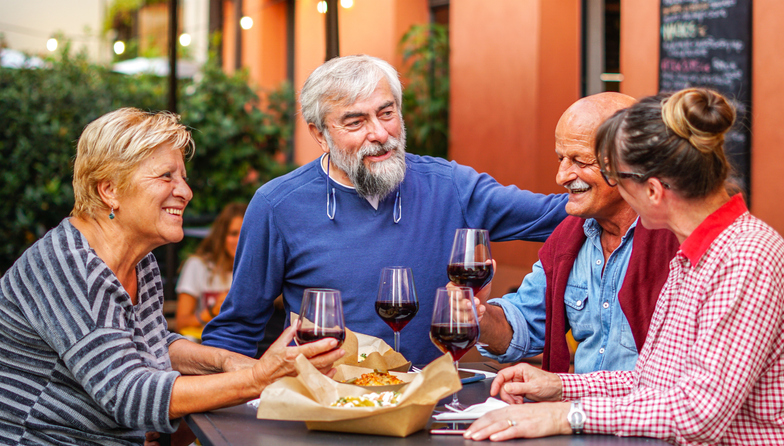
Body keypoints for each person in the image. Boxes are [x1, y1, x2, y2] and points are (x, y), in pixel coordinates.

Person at [0, 108, 343, 446]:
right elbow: (128, 394)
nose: (185, 192)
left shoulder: (140, 260)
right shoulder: (67, 267)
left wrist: (225, 361)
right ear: (109, 190)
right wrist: (258, 378)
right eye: (166, 176)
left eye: (183, 177)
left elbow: (153, 345)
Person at [201, 54, 569, 364]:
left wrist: (615, 179)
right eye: (355, 121)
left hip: (429, 408)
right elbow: (236, 329)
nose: (379, 133)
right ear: (318, 134)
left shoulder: (450, 186)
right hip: (323, 407)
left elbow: (566, 214)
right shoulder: (276, 205)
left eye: (386, 113)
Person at [464, 88, 784, 444]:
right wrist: (559, 385)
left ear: (653, 192)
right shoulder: (693, 255)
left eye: (620, 180)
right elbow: (653, 381)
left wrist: (568, 414)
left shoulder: (745, 258)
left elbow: (698, 413)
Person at [475, 92, 680, 373]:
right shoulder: (570, 238)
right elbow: (525, 324)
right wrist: (477, 317)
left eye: (580, 161)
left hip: (644, 415)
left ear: (632, 163)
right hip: (577, 413)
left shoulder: (679, 243)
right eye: (561, 158)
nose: (562, 176)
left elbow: (681, 383)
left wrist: (560, 390)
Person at [176, 202, 247, 340]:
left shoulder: (258, 268)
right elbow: (180, 323)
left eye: (244, 234)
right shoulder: (198, 265)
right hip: (204, 343)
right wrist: (212, 311)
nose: (239, 240)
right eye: (233, 233)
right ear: (221, 236)